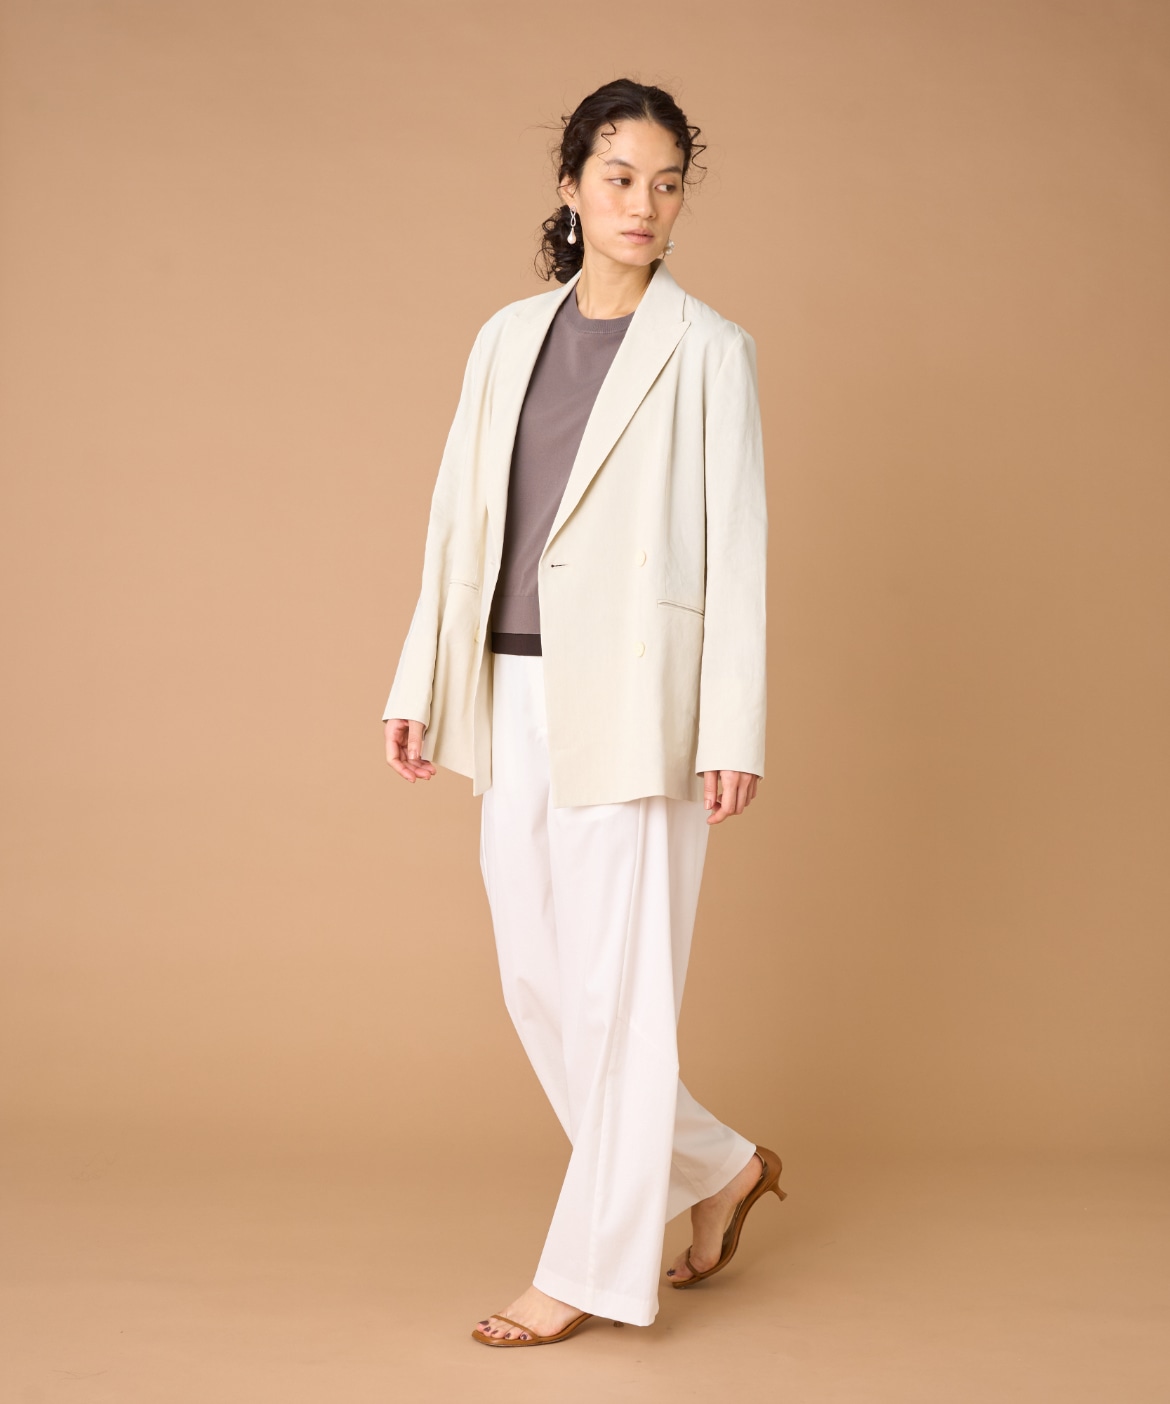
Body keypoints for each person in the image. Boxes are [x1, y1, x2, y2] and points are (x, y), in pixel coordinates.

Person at [381, 78, 784, 1348]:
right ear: (570, 187)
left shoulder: (709, 348)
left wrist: (732, 727)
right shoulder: (507, 337)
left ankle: (589, 1271)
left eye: (666, 182)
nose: (643, 203)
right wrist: (419, 679)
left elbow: (738, 551)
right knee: (538, 978)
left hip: (640, 700)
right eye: (619, 177)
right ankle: (719, 1166)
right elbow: (457, 521)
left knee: (621, 995)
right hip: (512, 685)